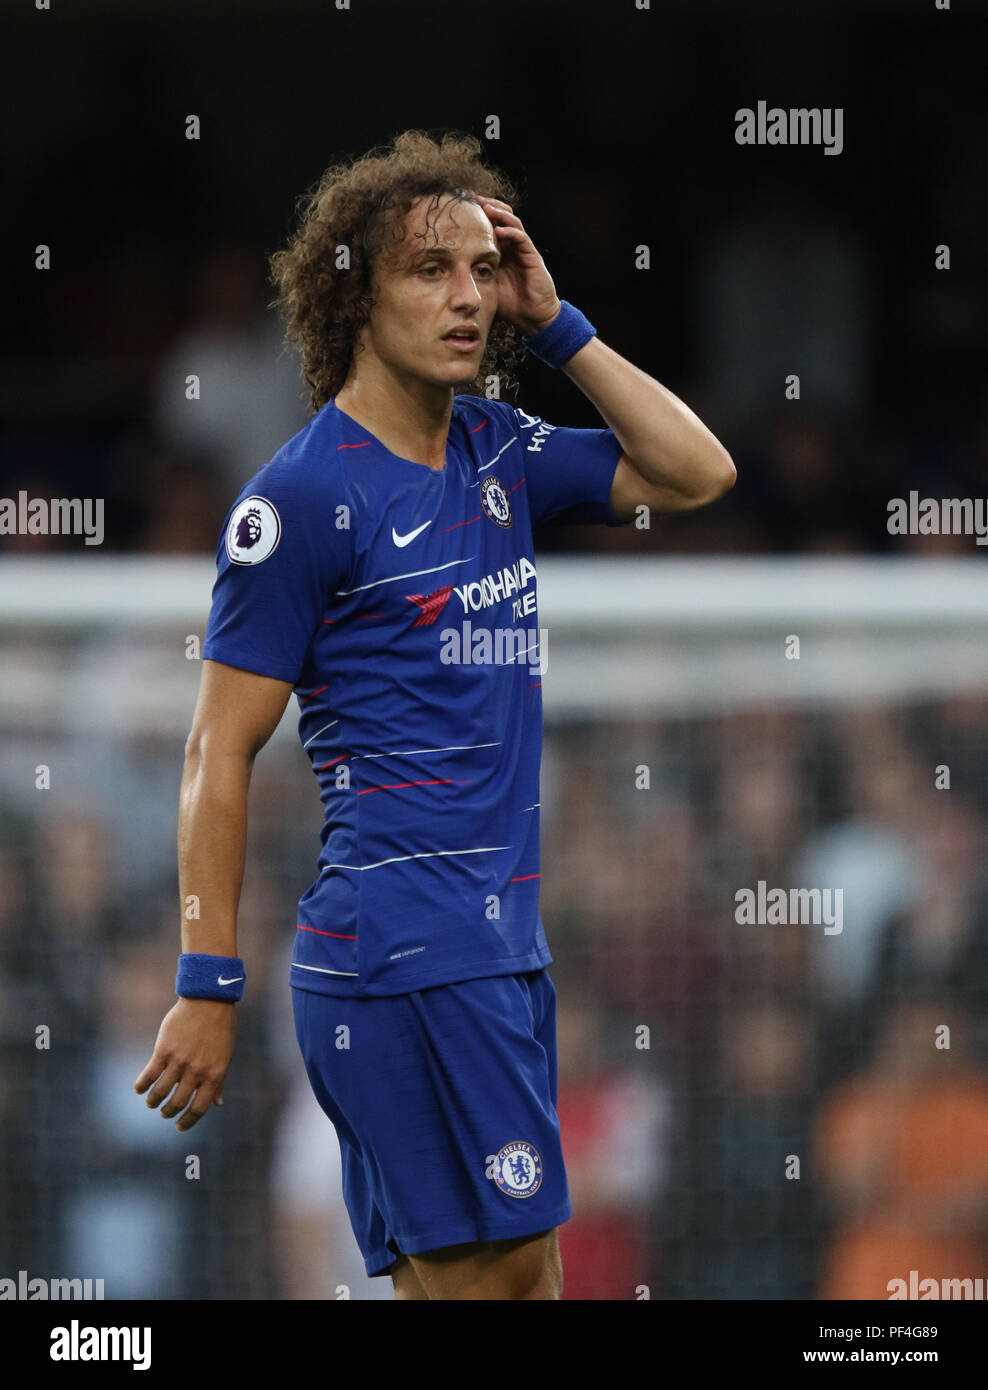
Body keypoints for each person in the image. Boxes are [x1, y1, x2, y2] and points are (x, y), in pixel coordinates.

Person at [134, 130, 735, 1301]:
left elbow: (696, 472)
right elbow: (217, 749)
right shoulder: (302, 500)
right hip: (400, 954)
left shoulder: (499, 452)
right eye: (430, 269)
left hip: (499, 949)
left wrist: (559, 325)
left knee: (498, 1285)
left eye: (481, 268)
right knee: (502, 1286)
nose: (468, 297)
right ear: (353, 291)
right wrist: (207, 980)